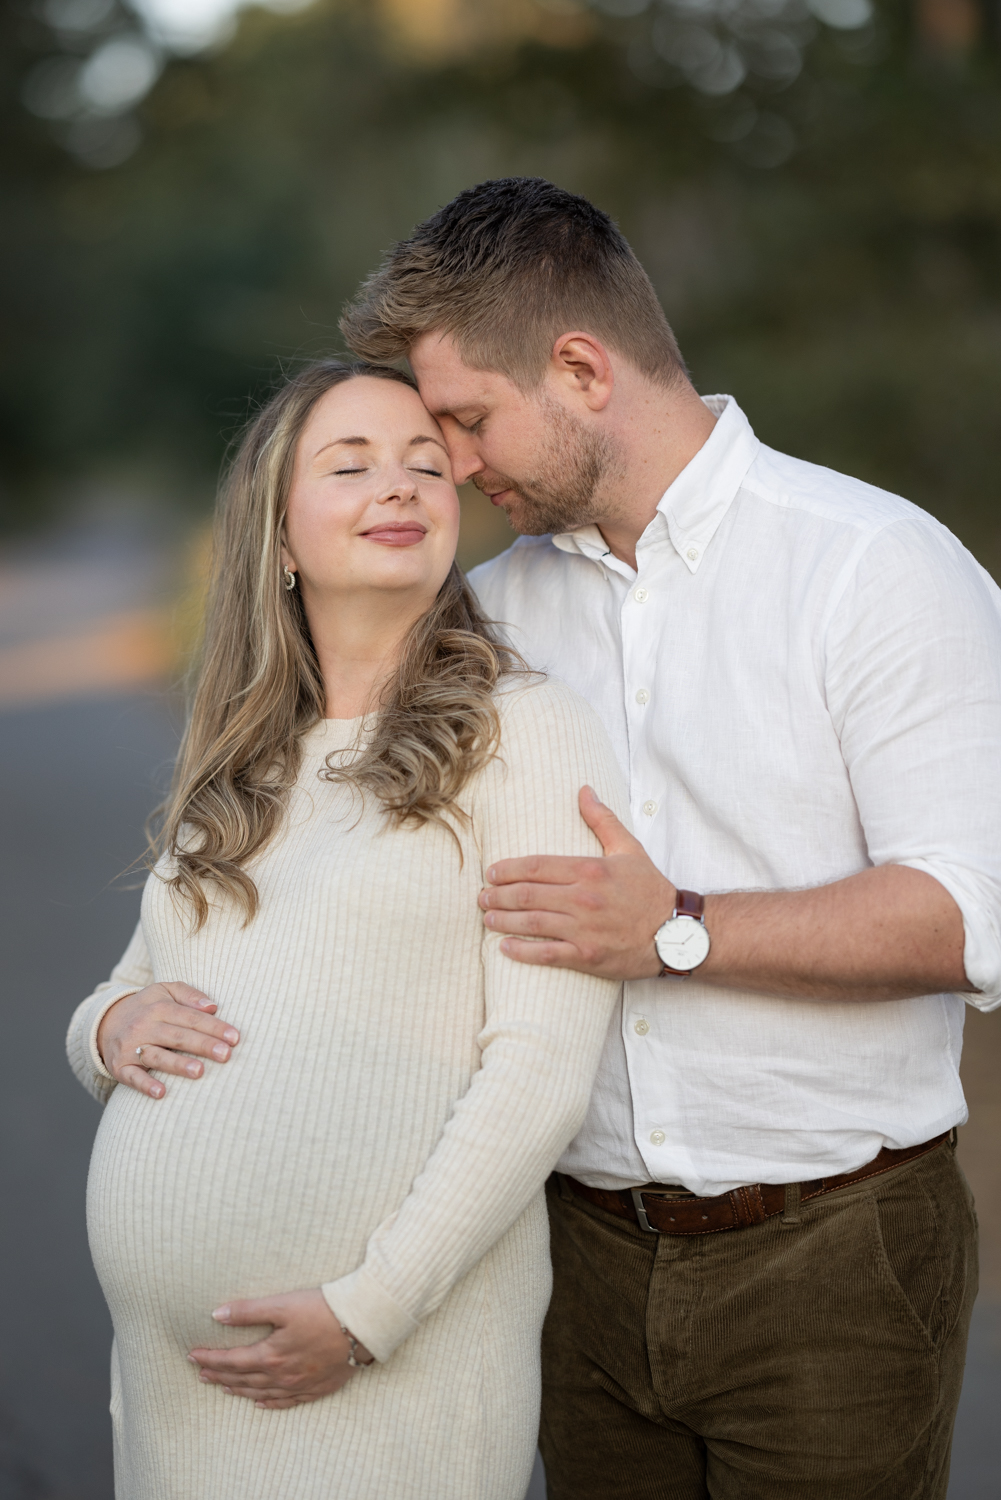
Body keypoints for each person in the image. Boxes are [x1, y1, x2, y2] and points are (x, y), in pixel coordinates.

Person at [340, 177, 1001, 1499]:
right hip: (570, 1261)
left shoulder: (875, 567)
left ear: (580, 368)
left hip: (836, 1258)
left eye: (468, 421)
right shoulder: (485, 613)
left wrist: (678, 927)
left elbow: (969, 910)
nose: (455, 466)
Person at [65, 359, 628, 1500]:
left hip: (383, 1378)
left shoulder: (521, 732)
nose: (403, 486)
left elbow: (537, 1075)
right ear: (278, 534)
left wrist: (366, 1315)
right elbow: (128, 986)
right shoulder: (239, 752)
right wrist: (109, 1028)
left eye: (428, 466)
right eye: (352, 464)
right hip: (175, 1404)